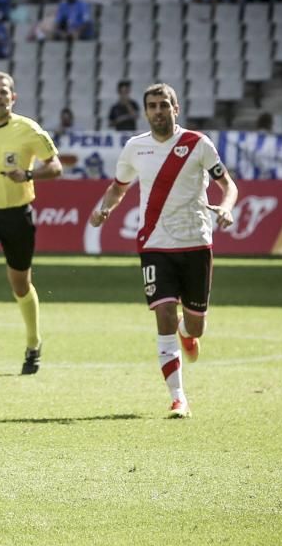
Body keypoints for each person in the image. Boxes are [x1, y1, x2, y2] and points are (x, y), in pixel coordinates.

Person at [88, 83, 238, 418]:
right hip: (154, 243)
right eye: (152, 106)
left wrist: (227, 207)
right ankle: (178, 398)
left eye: (163, 105)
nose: (158, 111)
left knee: (195, 326)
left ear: (176, 108)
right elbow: (118, 187)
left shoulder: (198, 144)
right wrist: (104, 208)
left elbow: (227, 185)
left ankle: (188, 332)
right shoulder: (135, 147)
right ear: (145, 112)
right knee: (164, 313)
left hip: (196, 241)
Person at [0, 71, 63, 376]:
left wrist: (28, 175)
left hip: (17, 215)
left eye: (5, 91)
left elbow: (55, 166)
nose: (0, 96)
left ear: (13, 97)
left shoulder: (28, 129)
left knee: (20, 285)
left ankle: (33, 343)